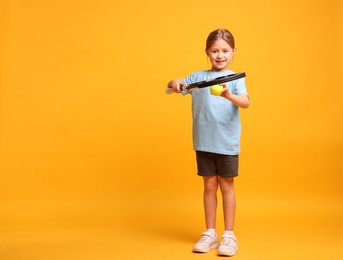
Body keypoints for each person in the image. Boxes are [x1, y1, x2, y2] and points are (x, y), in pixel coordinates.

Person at [167, 29, 250, 256]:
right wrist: (174, 83)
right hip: (203, 142)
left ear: (233, 52)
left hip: (226, 143)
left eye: (225, 50)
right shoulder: (197, 77)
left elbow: (245, 103)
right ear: (207, 52)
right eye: (214, 51)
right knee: (209, 186)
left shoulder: (235, 78)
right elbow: (174, 87)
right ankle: (210, 233)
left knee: (227, 186)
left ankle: (229, 235)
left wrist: (228, 96)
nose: (220, 55)